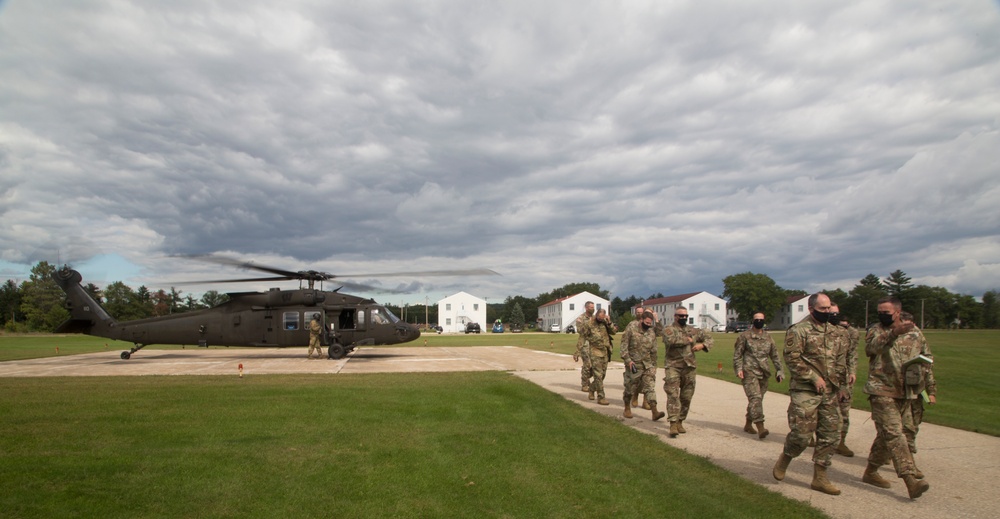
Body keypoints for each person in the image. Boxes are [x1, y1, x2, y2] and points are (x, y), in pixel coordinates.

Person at [772, 293, 846, 495]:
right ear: (811, 309)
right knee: (802, 435)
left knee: (830, 435)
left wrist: (842, 386)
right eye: (822, 309)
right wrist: (813, 377)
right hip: (806, 390)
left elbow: (841, 361)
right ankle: (786, 457)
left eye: (829, 308)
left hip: (830, 392)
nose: (827, 312)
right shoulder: (799, 331)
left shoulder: (837, 332)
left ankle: (820, 477)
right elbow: (792, 359)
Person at [861, 298, 932, 499]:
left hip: (907, 391)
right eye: (879, 311)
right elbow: (871, 348)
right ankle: (911, 480)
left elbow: (927, 355)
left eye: (886, 312)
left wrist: (922, 375)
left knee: (886, 436)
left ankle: (871, 471)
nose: (882, 315)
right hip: (881, 390)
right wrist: (893, 334)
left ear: (898, 312)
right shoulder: (876, 329)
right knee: (894, 433)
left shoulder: (915, 332)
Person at [662, 306, 713, 437]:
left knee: (686, 397)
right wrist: (689, 340)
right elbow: (671, 340)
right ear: (675, 316)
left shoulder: (693, 330)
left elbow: (709, 337)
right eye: (681, 316)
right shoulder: (669, 329)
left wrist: (702, 345)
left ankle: (680, 420)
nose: (683, 318)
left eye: (685, 316)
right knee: (673, 395)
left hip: (689, 367)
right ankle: (673, 423)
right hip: (673, 366)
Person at [733, 312, 783, 439]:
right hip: (749, 371)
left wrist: (779, 370)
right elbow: (738, 354)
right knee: (755, 398)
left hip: (764, 372)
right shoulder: (744, 336)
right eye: (757, 319)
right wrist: (739, 369)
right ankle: (760, 427)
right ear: (753, 321)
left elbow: (775, 355)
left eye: (761, 320)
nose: (759, 322)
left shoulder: (768, 337)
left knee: (757, 399)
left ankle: (748, 424)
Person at [899, 311, 936, 479]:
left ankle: (903, 458)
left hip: (916, 389)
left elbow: (928, 365)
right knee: (902, 428)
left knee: (912, 426)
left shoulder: (919, 337)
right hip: (897, 390)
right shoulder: (892, 337)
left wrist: (931, 391)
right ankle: (908, 465)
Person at [620, 311, 664, 421]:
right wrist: (628, 361)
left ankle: (654, 411)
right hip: (634, 363)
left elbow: (654, 350)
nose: (648, 325)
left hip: (648, 364)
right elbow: (624, 346)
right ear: (641, 320)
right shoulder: (631, 327)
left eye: (650, 323)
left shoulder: (651, 332)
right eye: (646, 323)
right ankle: (627, 408)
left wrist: (654, 366)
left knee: (650, 387)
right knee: (630, 388)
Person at [829, 304, 859, 457]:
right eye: (831, 312)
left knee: (844, 410)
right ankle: (819, 439)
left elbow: (851, 354)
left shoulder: (847, 333)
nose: (834, 316)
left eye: (837, 313)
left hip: (843, 379)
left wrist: (852, 371)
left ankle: (840, 442)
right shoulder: (817, 332)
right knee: (822, 412)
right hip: (825, 379)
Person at [581, 308, 617, 405]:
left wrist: (609, 322)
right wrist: (578, 351)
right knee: (598, 375)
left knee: (602, 375)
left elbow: (614, 332)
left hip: (605, 351)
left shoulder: (605, 322)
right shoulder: (589, 324)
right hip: (595, 351)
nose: (600, 320)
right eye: (599, 318)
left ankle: (592, 389)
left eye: (602, 318)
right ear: (596, 315)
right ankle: (601, 397)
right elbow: (582, 336)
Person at [573, 301, 596, 392]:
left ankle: (587, 379)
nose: (593, 309)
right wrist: (589, 324)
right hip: (585, 344)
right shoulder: (581, 318)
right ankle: (585, 384)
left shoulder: (595, 318)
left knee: (595, 365)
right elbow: (580, 331)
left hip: (594, 344)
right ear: (586, 308)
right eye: (591, 307)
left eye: (593, 307)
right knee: (587, 364)